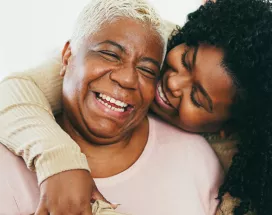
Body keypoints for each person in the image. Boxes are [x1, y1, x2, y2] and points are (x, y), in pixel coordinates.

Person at [1, 0, 271, 214]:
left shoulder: (235, 168)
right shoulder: (150, 39)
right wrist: (61, 163)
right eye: (186, 60)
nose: (173, 82)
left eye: (197, 98)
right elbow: (13, 91)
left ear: (226, 128)